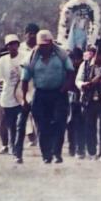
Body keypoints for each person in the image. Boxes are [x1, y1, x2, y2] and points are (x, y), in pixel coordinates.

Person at [21, 30, 73, 163]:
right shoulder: (32, 58)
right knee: (42, 126)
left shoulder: (61, 55)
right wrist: (24, 98)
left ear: (51, 43)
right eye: (41, 45)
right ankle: (46, 154)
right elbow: (25, 79)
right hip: (41, 94)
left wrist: (65, 87)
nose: (44, 47)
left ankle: (57, 153)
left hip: (58, 93)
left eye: (46, 44)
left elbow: (70, 72)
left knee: (59, 123)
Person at [0, 35, 27, 161]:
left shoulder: (24, 57)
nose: (13, 46)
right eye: (10, 44)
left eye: (15, 44)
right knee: (10, 123)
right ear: (7, 46)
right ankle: (11, 146)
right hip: (7, 95)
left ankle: (17, 149)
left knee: (20, 123)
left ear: (18, 45)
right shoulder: (3, 61)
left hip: (22, 94)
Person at [76, 42, 101, 160]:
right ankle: (92, 151)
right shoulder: (85, 65)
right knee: (90, 125)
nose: (100, 58)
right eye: (98, 55)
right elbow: (78, 81)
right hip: (88, 100)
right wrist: (86, 84)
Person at [20, 23, 40, 147]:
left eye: (34, 34)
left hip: (39, 83)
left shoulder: (41, 47)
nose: (32, 36)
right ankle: (31, 136)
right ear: (25, 34)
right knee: (25, 109)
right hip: (24, 83)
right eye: (29, 33)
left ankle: (39, 136)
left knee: (37, 111)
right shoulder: (20, 48)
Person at [65, 48, 86, 159]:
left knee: (80, 124)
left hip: (81, 99)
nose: (76, 61)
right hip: (71, 99)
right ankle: (72, 147)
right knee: (70, 124)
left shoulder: (83, 67)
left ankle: (80, 148)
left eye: (78, 59)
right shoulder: (68, 68)